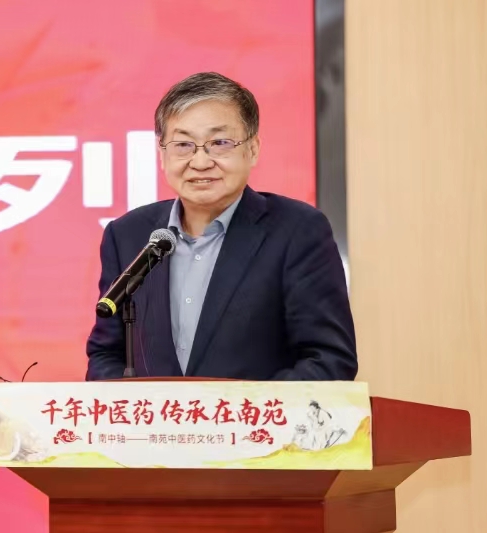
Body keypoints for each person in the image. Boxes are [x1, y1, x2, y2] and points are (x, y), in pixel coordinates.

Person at [85, 72, 357, 381]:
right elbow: (106, 354)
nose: (200, 162)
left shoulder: (298, 231)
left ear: (252, 149)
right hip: (154, 417)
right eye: (183, 144)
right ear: (162, 155)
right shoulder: (127, 234)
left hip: (253, 415)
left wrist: (239, 408)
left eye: (219, 143)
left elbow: (328, 359)